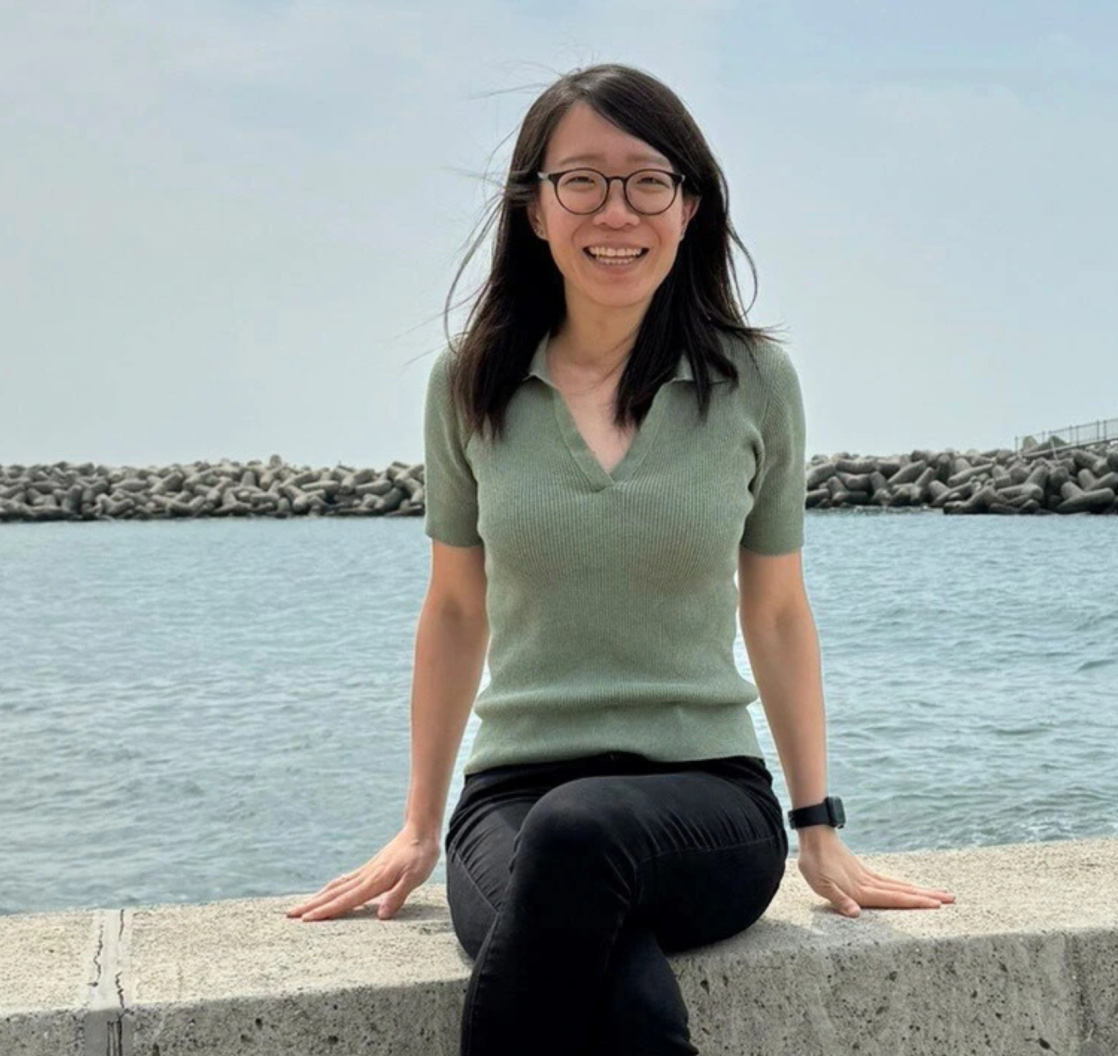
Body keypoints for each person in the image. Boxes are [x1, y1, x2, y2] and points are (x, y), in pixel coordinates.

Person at [286, 62, 954, 1054]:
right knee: (622, 990)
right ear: (535, 209)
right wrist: (421, 827)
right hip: (512, 805)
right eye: (582, 181)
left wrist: (820, 829)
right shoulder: (468, 384)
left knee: (582, 835)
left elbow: (775, 611)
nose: (617, 211)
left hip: (708, 803)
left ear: (688, 208)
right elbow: (456, 609)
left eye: (648, 181)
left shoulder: (755, 381)